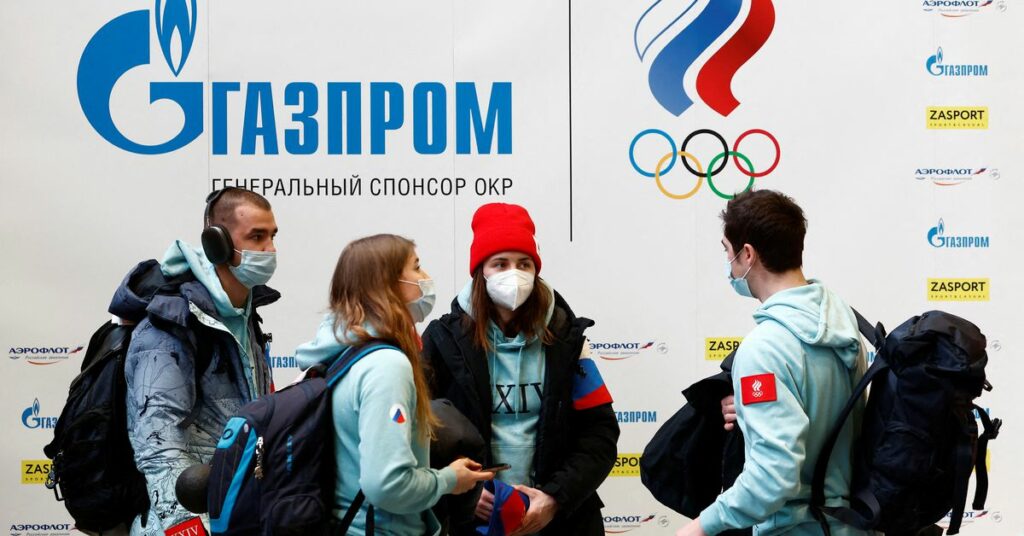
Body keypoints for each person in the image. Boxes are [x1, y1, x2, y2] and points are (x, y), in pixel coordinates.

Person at [676, 190, 869, 536]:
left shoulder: (763, 350)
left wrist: (701, 526)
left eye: (727, 250)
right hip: (848, 526)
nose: (728, 262)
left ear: (747, 254)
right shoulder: (843, 326)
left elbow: (773, 476)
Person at [422, 203, 620, 535]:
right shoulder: (442, 340)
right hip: (472, 521)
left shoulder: (567, 339)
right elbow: (418, 434)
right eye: (500, 263)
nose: (513, 274)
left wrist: (554, 497)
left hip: (558, 521)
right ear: (480, 270)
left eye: (523, 264)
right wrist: (464, 489)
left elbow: (599, 435)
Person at [295, 234, 493, 535]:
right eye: (416, 267)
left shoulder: (347, 352)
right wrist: (449, 480)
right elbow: (387, 485)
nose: (425, 278)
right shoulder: (386, 366)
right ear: (386, 285)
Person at [112, 187, 280, 534]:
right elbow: (157, 447)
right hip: (184, 522)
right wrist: (187, 526)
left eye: (273, 236)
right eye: (257, 237)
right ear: (216, 243)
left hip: (232, 513)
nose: (270, 250)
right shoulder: (168, 327)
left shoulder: (244, 315)